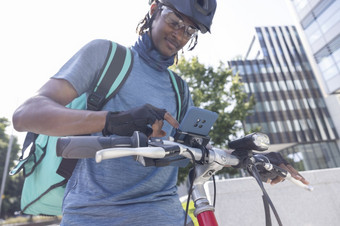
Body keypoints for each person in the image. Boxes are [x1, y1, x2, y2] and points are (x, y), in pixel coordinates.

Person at [12, 0, 309, 225]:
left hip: (164, 214)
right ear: (154, 9)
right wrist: (114, 121)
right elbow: (26, 114)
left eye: (190, 30)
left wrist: (246, 156)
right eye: (174, 20)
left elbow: (187, 150)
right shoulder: (106, 56)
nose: (180, 34)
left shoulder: (179, 88)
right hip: (95, 214)